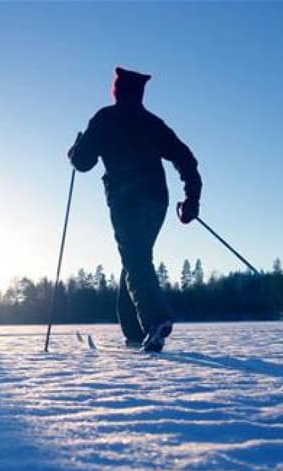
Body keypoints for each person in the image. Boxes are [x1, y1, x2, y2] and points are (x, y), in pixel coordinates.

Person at [68, 67, 202, 352]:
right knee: (135, 259)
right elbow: (186, 158)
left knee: (135, 259)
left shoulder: (106, 118)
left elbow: (83, 162)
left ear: (117, 92)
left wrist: (75, 150)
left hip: (126, 200)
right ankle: (134, 332)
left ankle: (156, 320)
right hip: (157, 201)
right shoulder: (152, 123)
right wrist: (192, 199)